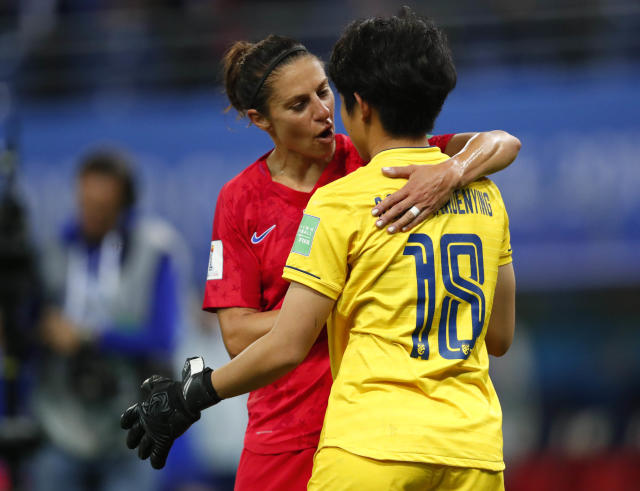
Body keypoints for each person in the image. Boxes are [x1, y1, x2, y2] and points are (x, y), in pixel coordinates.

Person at [122, 26, 519, 491]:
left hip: (364, 431)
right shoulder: (240, 201)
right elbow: (235, 333)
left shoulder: (385, 167)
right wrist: (344, 295)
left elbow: (503, 142)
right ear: (260, 119)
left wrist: (453, 170)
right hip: (287, 432)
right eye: (299, 105)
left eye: (324, 92)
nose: (323, 113)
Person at [31, 149, 188, 491]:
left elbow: (162, 337)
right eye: (85, 203)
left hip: (132, 426)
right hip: (61, 421)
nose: (91, 215)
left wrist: (88, 337)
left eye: (102, 207)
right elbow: (30, 326)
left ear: (125, 205)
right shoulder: (56, 250)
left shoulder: (156, 251)